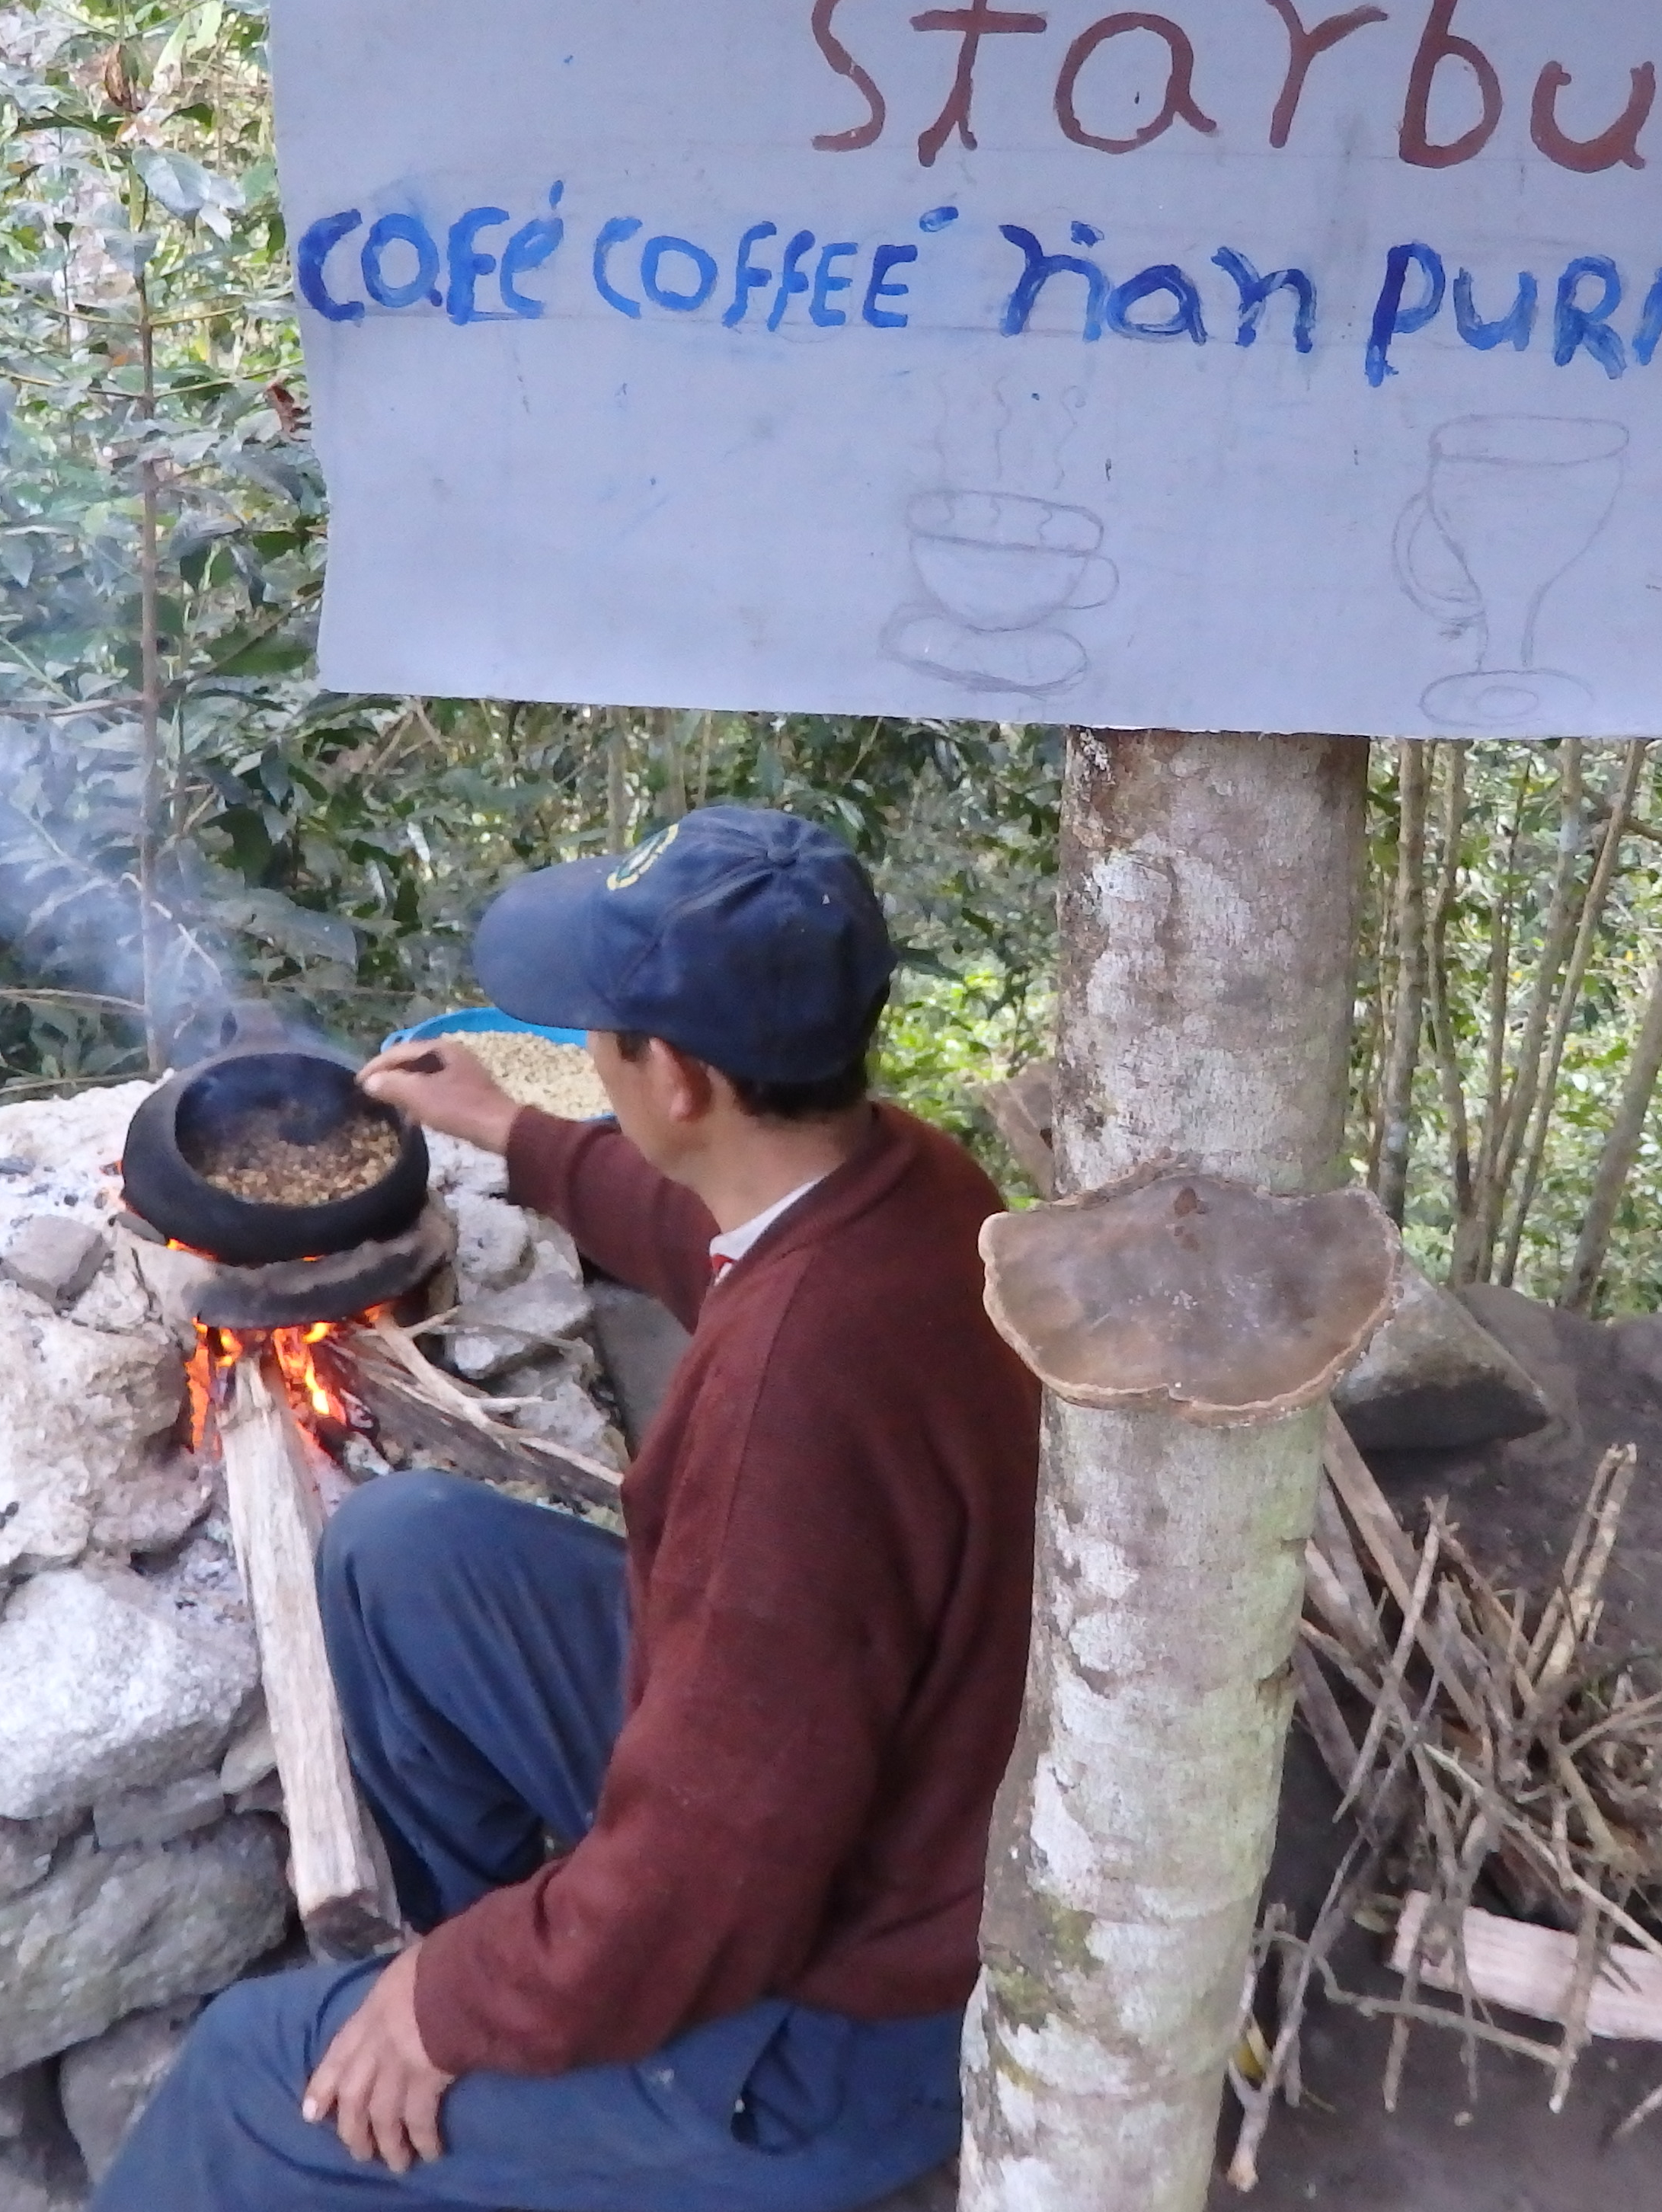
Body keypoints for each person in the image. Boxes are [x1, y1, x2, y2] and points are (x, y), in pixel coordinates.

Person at [96, 805, 1041, 2211]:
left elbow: (719, 1863)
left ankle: (490, 2047)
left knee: (250, 2068)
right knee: (405, 1549)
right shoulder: (906, 1180)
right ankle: (500, 2030)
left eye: (602, 1033)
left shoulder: (791, 1412)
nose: (590, 1052)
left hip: (841, 2017)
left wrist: (455, 2005)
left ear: (678, 1079)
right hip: (869, 1791)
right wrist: (515, 1132)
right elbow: (701, 1231)